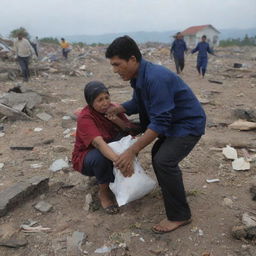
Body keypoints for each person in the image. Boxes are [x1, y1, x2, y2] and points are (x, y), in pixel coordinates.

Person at [105, 35, 206, 233]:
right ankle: (171, 193)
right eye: (113, 65)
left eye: (117, 65)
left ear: (132, 60)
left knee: (164, 161)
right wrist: (119, 109)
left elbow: (160, 122)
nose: (115, 70)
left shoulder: (155, 78)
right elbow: (139, 103)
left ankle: (180, 216)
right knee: (159, 155)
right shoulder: (139, 77)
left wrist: (132, 151)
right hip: (174, 125)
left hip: (187, 125)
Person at [72, 81, 137, 214]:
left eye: (107, 98)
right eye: (99, 100)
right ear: (91, 102)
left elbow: (129, 129)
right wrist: (121, 162)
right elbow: (99, 144)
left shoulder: (113, 109)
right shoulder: (85, 117)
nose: (105, 103)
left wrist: (115, 120)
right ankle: (104, 193)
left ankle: (120, 181)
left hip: (111, 148)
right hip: (88, 156)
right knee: (100, 157)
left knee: (129, 141)